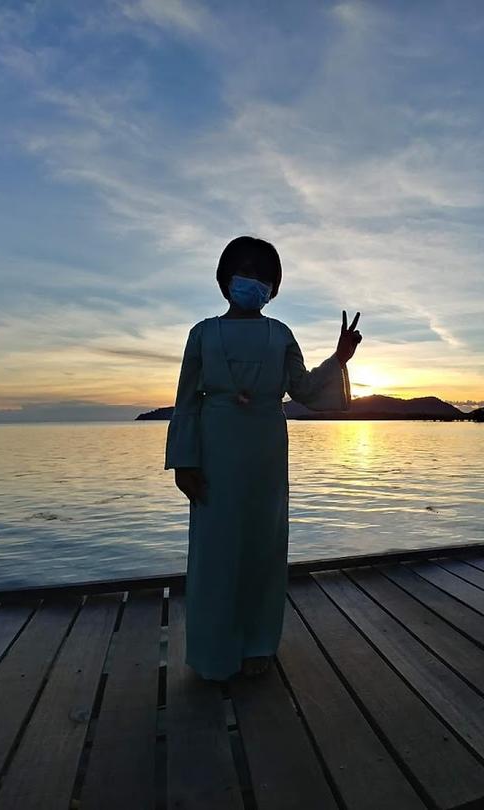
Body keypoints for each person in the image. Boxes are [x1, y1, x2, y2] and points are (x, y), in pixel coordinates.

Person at [164, 236, 362, 681]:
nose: (252, 279)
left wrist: (340, 357)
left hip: (267, 454)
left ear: (273, 286)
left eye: (262, 274)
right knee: (214, 554)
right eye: (243, 270)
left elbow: (307, 391)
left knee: (264, 548)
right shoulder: (202, 333)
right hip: (214, 452)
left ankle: (257, 647)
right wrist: (183, 460)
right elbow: (185, 402)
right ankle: (213, 655)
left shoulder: (281, 334)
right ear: (223, 279)